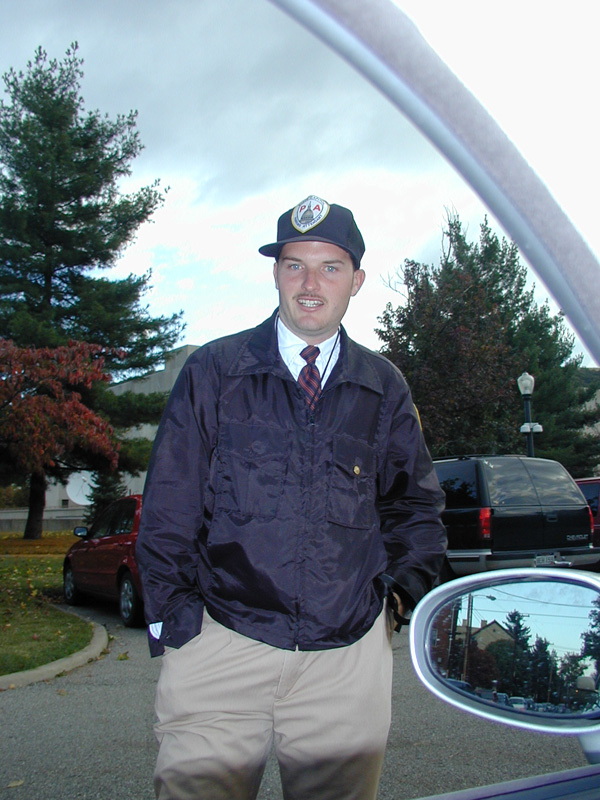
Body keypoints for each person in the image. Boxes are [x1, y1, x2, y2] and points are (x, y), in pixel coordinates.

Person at [136, 194, 447, 800]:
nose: (310, 283)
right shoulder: (215, 371)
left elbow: (415, 507)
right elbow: (169, 505)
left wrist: (397, 601)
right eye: (294, 264)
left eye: (330, 267)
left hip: (346, 659)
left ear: (356, 280)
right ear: (274, 273)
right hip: (222, 642)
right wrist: (176, 621)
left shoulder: (382, 386)